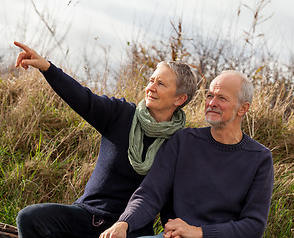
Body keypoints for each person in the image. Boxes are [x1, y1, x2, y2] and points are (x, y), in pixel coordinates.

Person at [13, 41, 197, 238]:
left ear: (179, 99)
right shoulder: (121, 114)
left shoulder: (179, 143)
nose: (151, 87)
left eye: (160, 83)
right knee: (30, 217)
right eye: (151, 80)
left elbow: (169, 198)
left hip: (131, 230)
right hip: (88, 217)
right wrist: (47, 68)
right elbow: (83, 99)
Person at [100, 70, 274, 238]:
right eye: (210, 95)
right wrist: (124, 223)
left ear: (242, 108)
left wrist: (198, 233)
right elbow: (151, 193)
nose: (212, 102)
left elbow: (254, 225)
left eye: (221, 98)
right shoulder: (183, 141)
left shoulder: (259, 158)